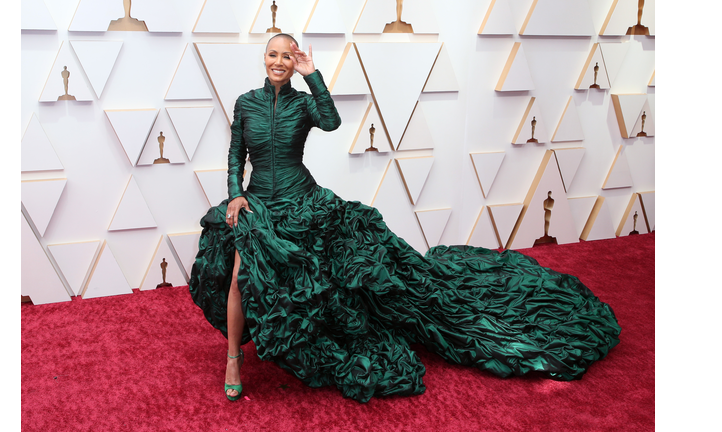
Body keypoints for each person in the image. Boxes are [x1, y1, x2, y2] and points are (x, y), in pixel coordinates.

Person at [189, 34, 621, 403]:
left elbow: (333, 121)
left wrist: (313, 75)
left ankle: (319, 335)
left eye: (288, 55)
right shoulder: (246, 102)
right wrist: (235, 195)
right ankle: (234, 359)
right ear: (263, 59)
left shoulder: (304, 104)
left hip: (304, 201)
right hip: (258, 205)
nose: (280, 61)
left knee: (323, 277)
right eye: (274, 55)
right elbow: (235, 154)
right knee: (239, 278)